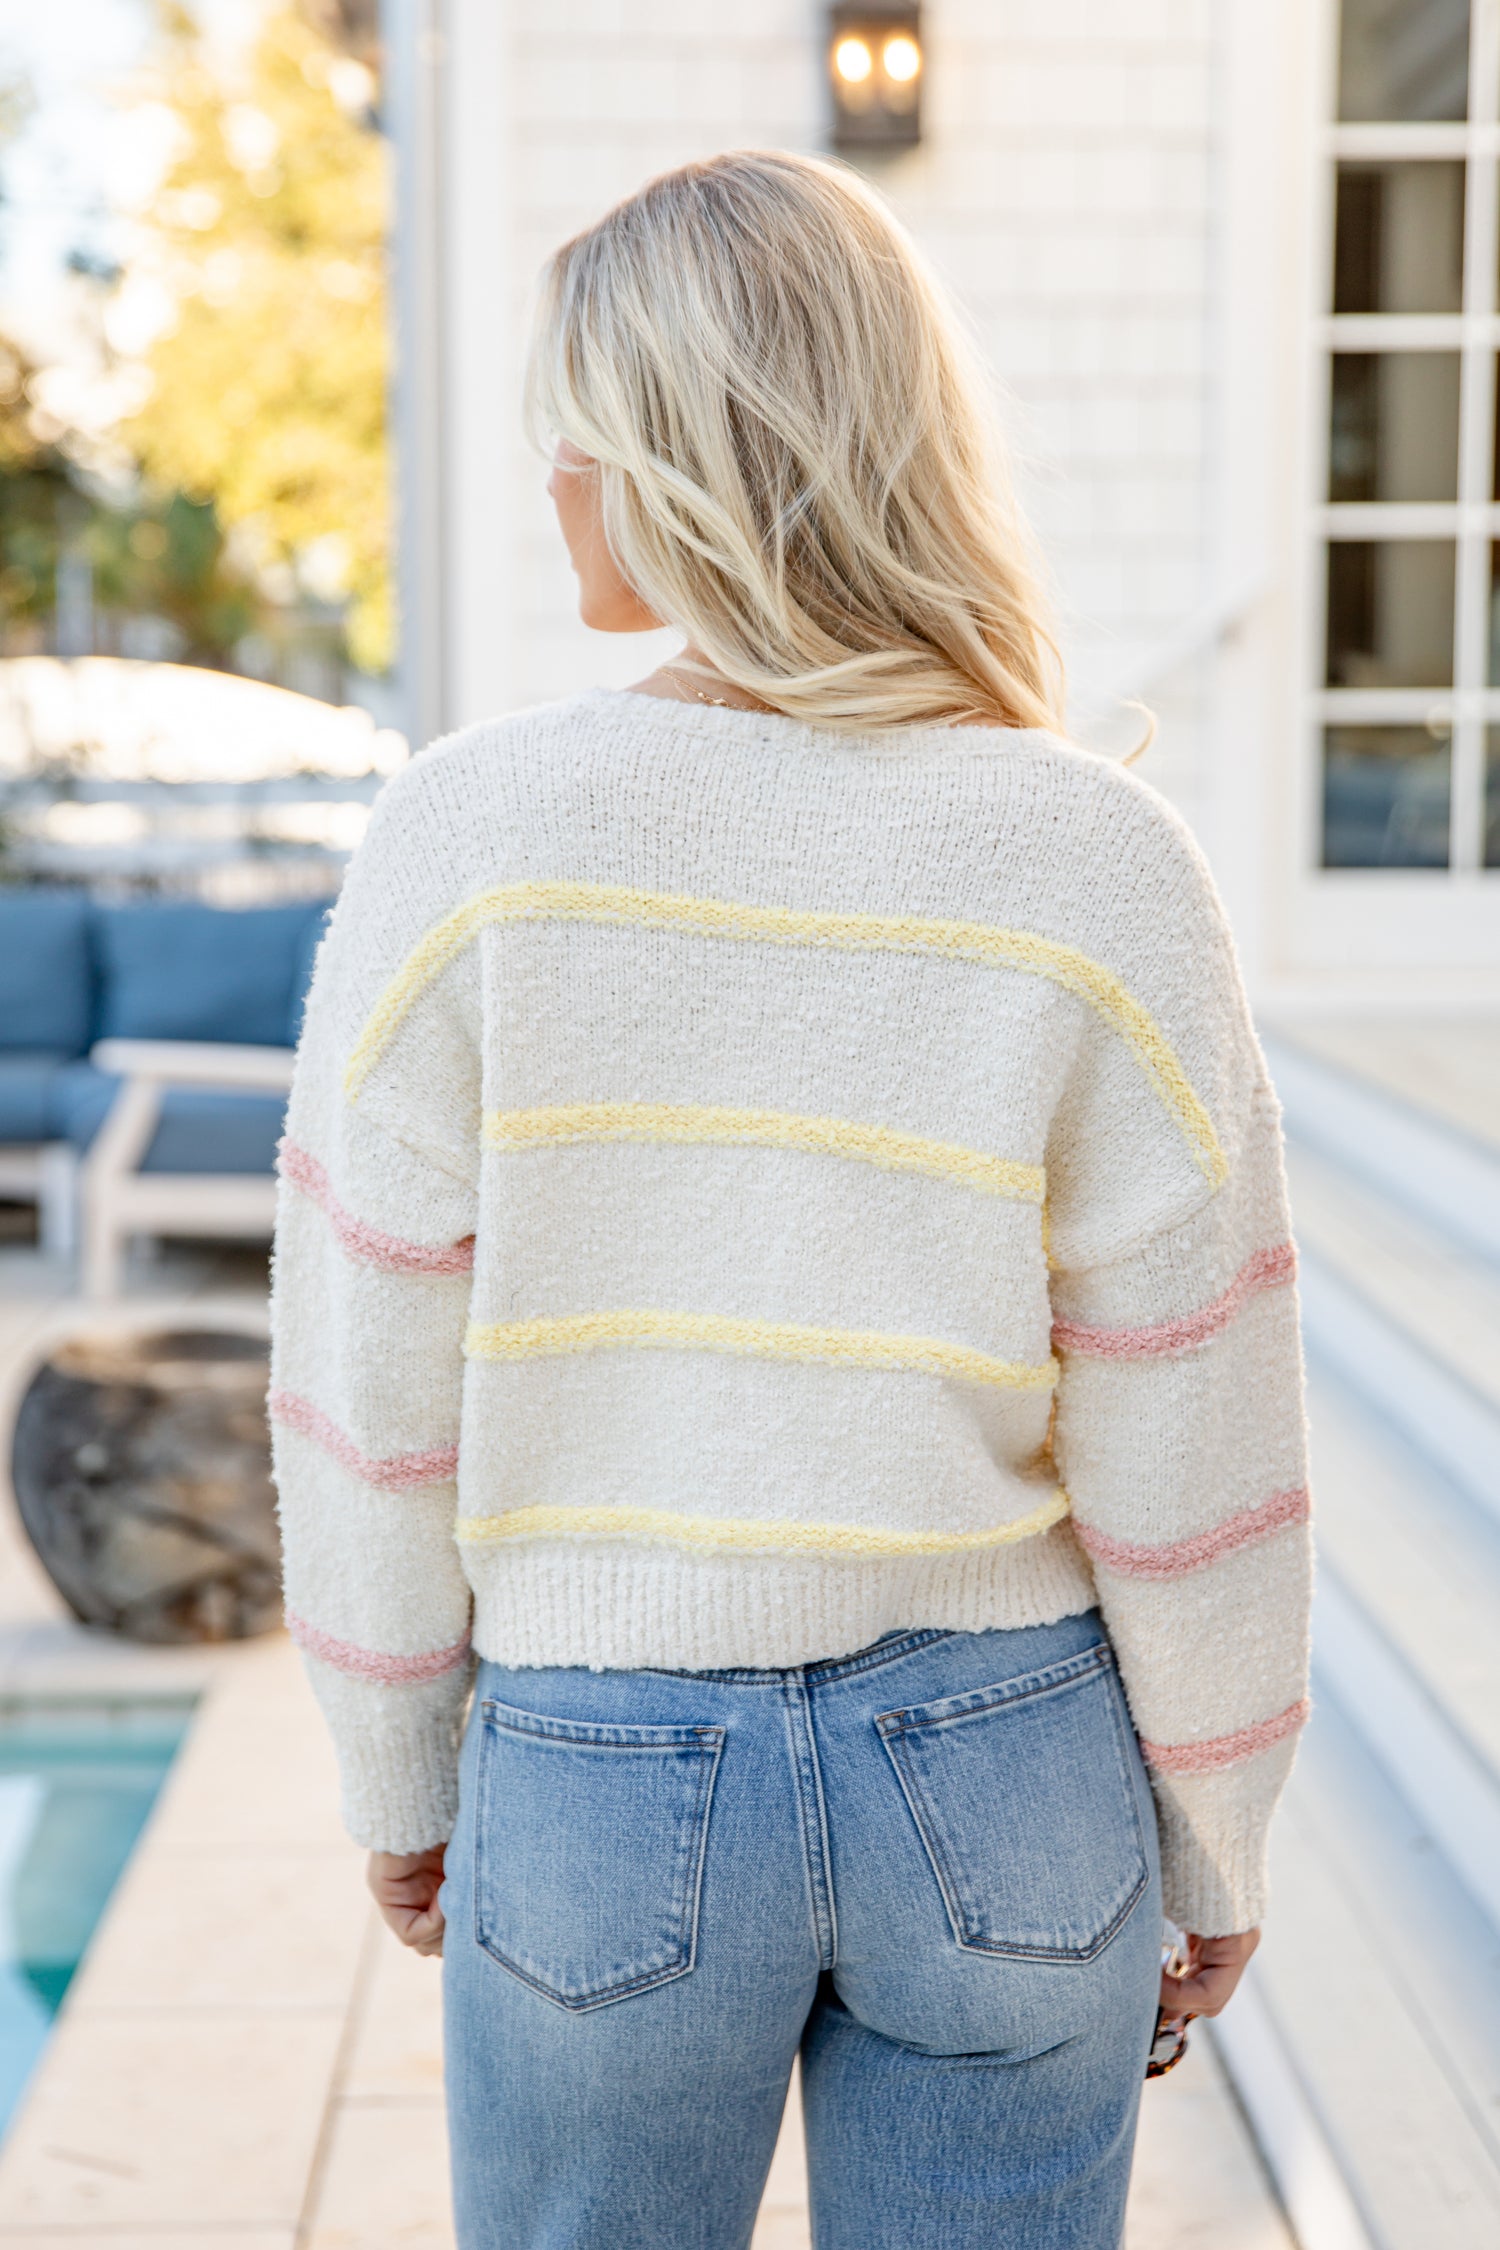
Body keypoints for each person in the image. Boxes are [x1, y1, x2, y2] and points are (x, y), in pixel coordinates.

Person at [270, 149, 1311, 2250]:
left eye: (579, 426)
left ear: (671, 454)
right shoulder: (1096, 860)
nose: (550, 476)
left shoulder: (473, 841)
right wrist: (1216, 1825)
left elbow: (369, 1382)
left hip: (598, 1771)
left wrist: (395, 1759)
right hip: (1014, 1772)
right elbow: (1196, 1406)